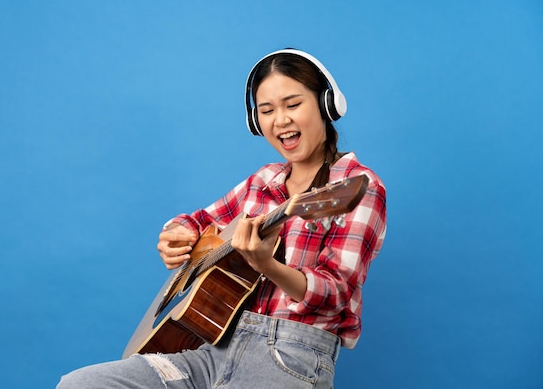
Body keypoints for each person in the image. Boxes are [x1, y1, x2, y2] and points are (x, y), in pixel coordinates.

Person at [56, 48, 387, 389]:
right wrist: (175, 235)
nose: (281, 120)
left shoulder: (359, 186)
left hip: (291, 358)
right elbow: (197, 221)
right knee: (79, 384)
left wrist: (267, 265)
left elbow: (336, 294)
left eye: (293, 104)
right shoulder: (264, 181)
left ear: (326, 104)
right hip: (214, 350)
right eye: (267, 110)